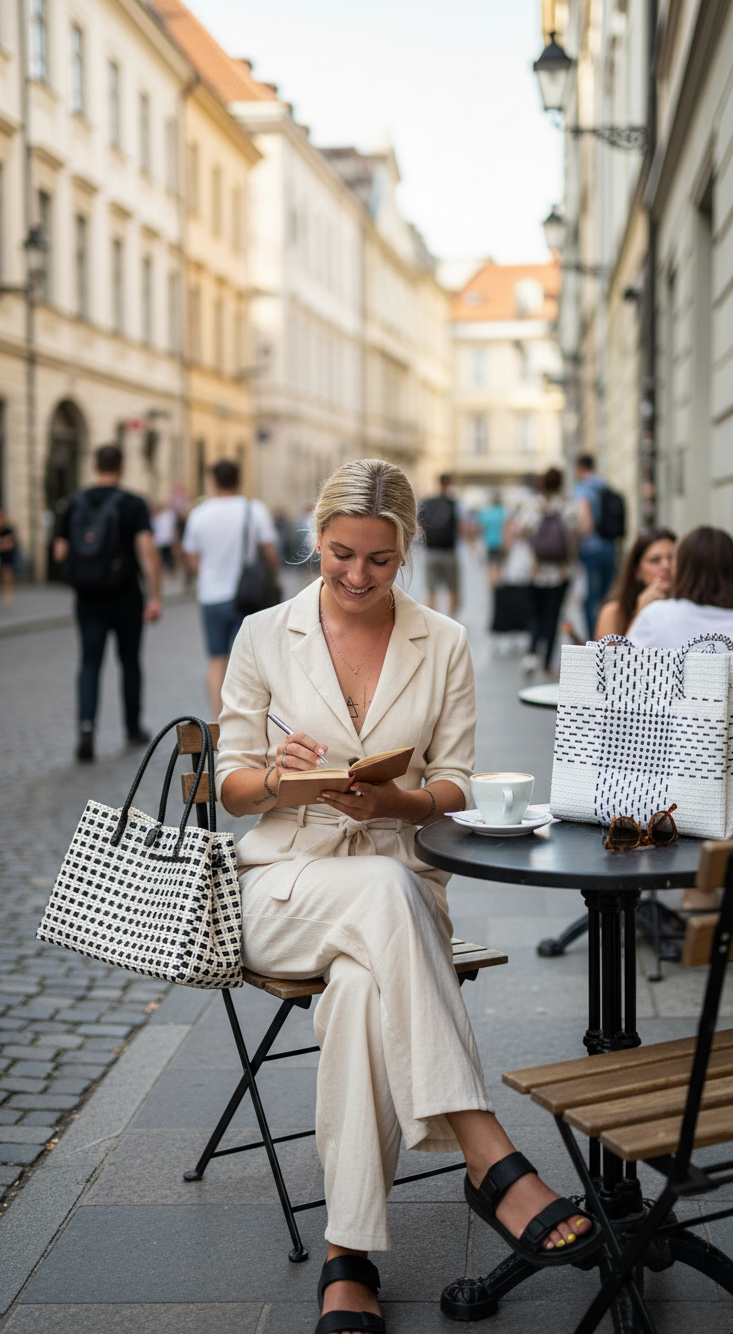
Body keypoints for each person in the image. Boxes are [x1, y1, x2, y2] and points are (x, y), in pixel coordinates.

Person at [216, 457, 598, 1334]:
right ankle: (489, 1156)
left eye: (378, 561)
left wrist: (400, 802)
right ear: (314, 540)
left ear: (408, 551)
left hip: (396, 894)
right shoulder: (263, 635)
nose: (355, 576)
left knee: (359, 989)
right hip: (284, 886)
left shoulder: (444, 641)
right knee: (381, 893)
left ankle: (347, 1258)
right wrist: (276, 780)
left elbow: (456, 783)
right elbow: (226, 789)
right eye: (339, 554)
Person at [628, 526, 733, 910]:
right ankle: (703, 891)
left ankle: (697, 894)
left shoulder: (658, 616)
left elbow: (625, 691)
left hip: (668, 780)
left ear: (683, 567)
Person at [53, 444, 162, 762]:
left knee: (89, 663)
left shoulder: (75, 502)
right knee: (129, 661)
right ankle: (132, 728)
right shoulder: (132, 503)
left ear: (93, 465)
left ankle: (86, 729)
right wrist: (155, 596)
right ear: (122, 467)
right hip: (125, 596)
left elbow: (59, 552)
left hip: (87, 598)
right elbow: (147, 551)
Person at [182, 459, 279, 721]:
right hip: (246, 597)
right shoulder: (254, 509)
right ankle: (241, 718)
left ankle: (217, 719)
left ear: (213, 481)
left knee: (216, 660)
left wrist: (206, 573)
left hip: (211, 596)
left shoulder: (199, 513)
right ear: (238, 481)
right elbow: (270, 552)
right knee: (244, 662)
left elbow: (190, 556)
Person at [516, 468, 579, 676]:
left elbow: (522, 531)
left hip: (535, 570)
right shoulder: (568, 506)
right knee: (553, 616)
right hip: (560, 571)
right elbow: (574, 537)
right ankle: (546, 665)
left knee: (535, 614)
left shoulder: (533, 505)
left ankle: (531, 656)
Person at [595, 527, 677, 640]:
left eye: (672, 558)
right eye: (655, 560)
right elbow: (611, 657)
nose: (666, 566)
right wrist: (640, 614)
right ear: (637, 571)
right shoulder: (612, 614)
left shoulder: (688, 609)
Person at [574, 454, 618, 639]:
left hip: (591, 550)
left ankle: (595, 638)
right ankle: (609, 634)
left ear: (580, 468)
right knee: (608, 597)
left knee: (590, 598)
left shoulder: (583, 489)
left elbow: (586, 523)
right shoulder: (604, 485)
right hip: (610, 547)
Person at [418, 473, 470, 617]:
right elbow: (463, 529)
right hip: (449, 552)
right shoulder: (454, 503)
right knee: (453, 588)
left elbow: (418, 527)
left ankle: (433, 622)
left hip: (430, 552)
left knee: (430, 589)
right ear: (449, 484)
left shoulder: (427, 502)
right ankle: (451, 620)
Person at [476, 489, 508, 588]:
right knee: (498, 565)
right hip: (499, 542)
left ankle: (491, 585)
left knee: (490, 564)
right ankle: (497, 585)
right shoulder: (502, 511)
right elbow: (505, 528)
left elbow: (479, 528)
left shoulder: (486, 512)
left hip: (488, 542)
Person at [0, 507, 17, 607]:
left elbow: (9, 544)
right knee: (3, 576)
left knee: (8, 575)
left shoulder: (8, 529)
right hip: (1, 558)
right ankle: (6, 594)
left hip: (8, 558)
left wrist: (2, 543)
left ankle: (8, 595)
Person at [151, 502, 178, 572]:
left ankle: (169, 566)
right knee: (164, 554)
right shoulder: (157, 517)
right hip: (161, 539)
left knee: (167, 553)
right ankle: (167, 566)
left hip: (166, 538)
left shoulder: (167, 516)